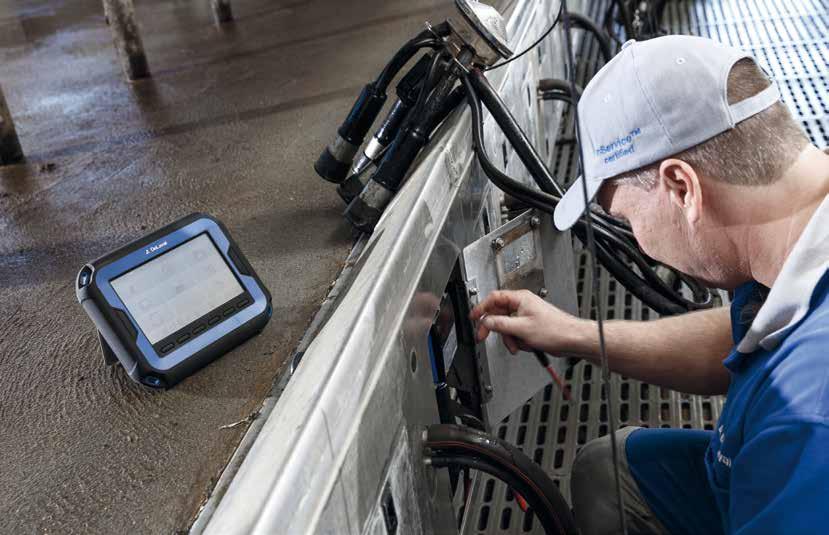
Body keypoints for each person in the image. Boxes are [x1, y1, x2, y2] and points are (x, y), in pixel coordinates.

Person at [470, 35, 829, 535]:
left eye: (625, 217)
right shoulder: (796, 235)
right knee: (607, 471)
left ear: (682, 187)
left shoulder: (807, 421)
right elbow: (742, 340)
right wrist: (573, 333)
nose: (637, 242)